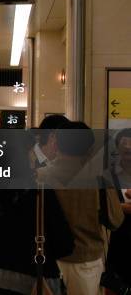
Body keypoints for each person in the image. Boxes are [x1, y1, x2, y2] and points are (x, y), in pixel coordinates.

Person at [0, 131, 75, 295]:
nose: (32, 157)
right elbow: (64, 246)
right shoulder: (41, 194)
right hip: (34, 282)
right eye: (30, 152)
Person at [41, 122, 124, 295]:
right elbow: (115, 221)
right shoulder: (99, 181)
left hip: (47, 259)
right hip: (87, 262)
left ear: (57, 144)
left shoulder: (39, 178)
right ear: (89, 148)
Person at [105, 128, 131, 289]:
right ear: (117, 147)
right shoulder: (107, 175)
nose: (128, 147)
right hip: (118, 242)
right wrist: (120, 208)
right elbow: (101, 206)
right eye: (124, 143)